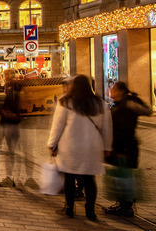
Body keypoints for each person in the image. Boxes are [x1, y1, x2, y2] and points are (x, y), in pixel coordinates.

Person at [47, 74, 112, 221]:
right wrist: (107, 146)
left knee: (69, 178)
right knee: (90, 179)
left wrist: (52, 144)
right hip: (92, 146)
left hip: (70, 146)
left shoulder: (65, 102)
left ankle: (69, 208)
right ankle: (90, 210)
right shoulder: (100, 103)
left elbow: (57, 126)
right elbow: (107, 128)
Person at [106, 81, 152, 217]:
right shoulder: (118, 105)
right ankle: (122, 204)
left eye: (113, 89)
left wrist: (119, 149)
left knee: (125, 177)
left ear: (120, 91)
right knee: (121, 176)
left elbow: (147, 111)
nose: (110, 91)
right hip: (121, 146)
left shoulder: (128, 104)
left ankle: (126, 207)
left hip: (126, 147)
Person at [0, 68, 24, 187]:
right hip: (8, 124)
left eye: (8, 75)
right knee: (11, 152)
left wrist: (3, 112)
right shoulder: (10, 89)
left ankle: (11, 178)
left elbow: (16, 110)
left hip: (11, 125)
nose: (6, 78)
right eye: (5, 75)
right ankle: (12, 178)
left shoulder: (14, 90)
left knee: (10, 152)